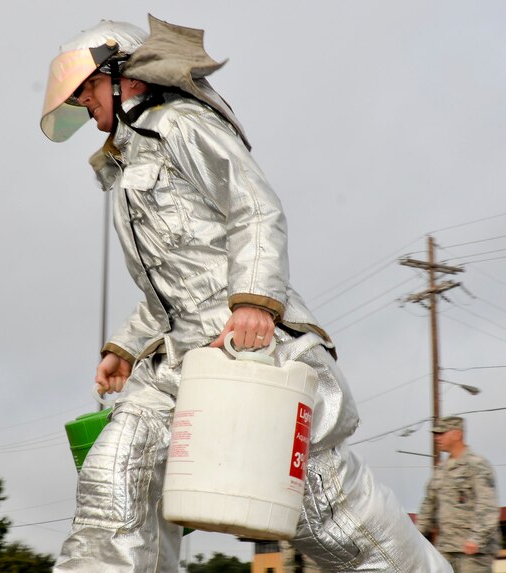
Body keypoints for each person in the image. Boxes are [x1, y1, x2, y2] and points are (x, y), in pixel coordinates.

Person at [40, 15, 453, 572]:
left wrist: (256, 302)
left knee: (326, 516)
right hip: (178, 362)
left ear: (124, 77)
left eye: (86, 90)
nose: (85, 107)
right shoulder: (129, 167)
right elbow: (178, 282)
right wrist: (126, 345)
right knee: (115, 475)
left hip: (248, 350)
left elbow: (255, 207)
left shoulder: (181, 126)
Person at [416, 416, 501, 572]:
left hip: (474, 552)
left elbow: (487, 505)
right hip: (447, 548)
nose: (437, 438)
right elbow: (428, 506)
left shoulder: (476, 465)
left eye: (442, 433)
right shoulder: (441, 471)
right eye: (436, 434)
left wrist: (477, 538)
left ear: (457, 434)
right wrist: (415, 537)